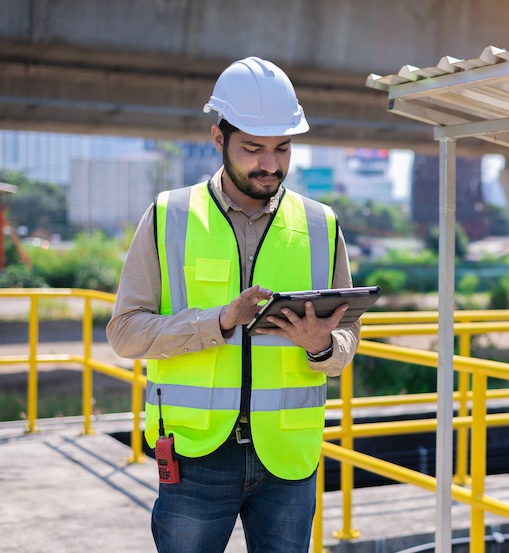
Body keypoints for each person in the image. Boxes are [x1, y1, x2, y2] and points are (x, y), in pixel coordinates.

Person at [107, 56, 360, 553]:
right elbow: (125, 333)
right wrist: (218, 322)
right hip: (196, 455)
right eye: (253, 149)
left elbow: (347, 341)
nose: (270, 164)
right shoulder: (167, 217)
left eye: (282, 148)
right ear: (218, 139)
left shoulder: (320, 225)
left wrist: (322, 346)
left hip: (287, 457)